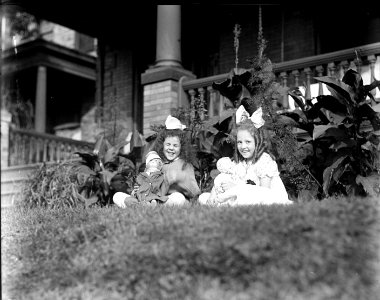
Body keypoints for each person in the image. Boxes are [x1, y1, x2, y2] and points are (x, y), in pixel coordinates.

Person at [198, 105, 292, 206]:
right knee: (205, 195)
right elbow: (223, 178)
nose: (243, 146)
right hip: (243, 197)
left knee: (241, 191)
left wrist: (236, 188)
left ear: (257, 141)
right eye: (239, 142)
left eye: (248, 142)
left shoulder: (264, 160)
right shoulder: (240, 162)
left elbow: (264, 192)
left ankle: (224, 201)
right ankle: (214, 200)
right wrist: (214, 194)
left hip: (266, 199)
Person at [149, 115, 201, 205]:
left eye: (175, 145)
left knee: (177, 197)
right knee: (117, 196)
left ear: (182, 147)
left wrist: (176, 178)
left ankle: (157, 204)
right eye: (168, 144)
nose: (171, 148)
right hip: (160, 197)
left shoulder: (185, 164)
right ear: (162, 145)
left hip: (180, 198)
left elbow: (193, 190)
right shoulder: (159, 163)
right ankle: (150, 203)